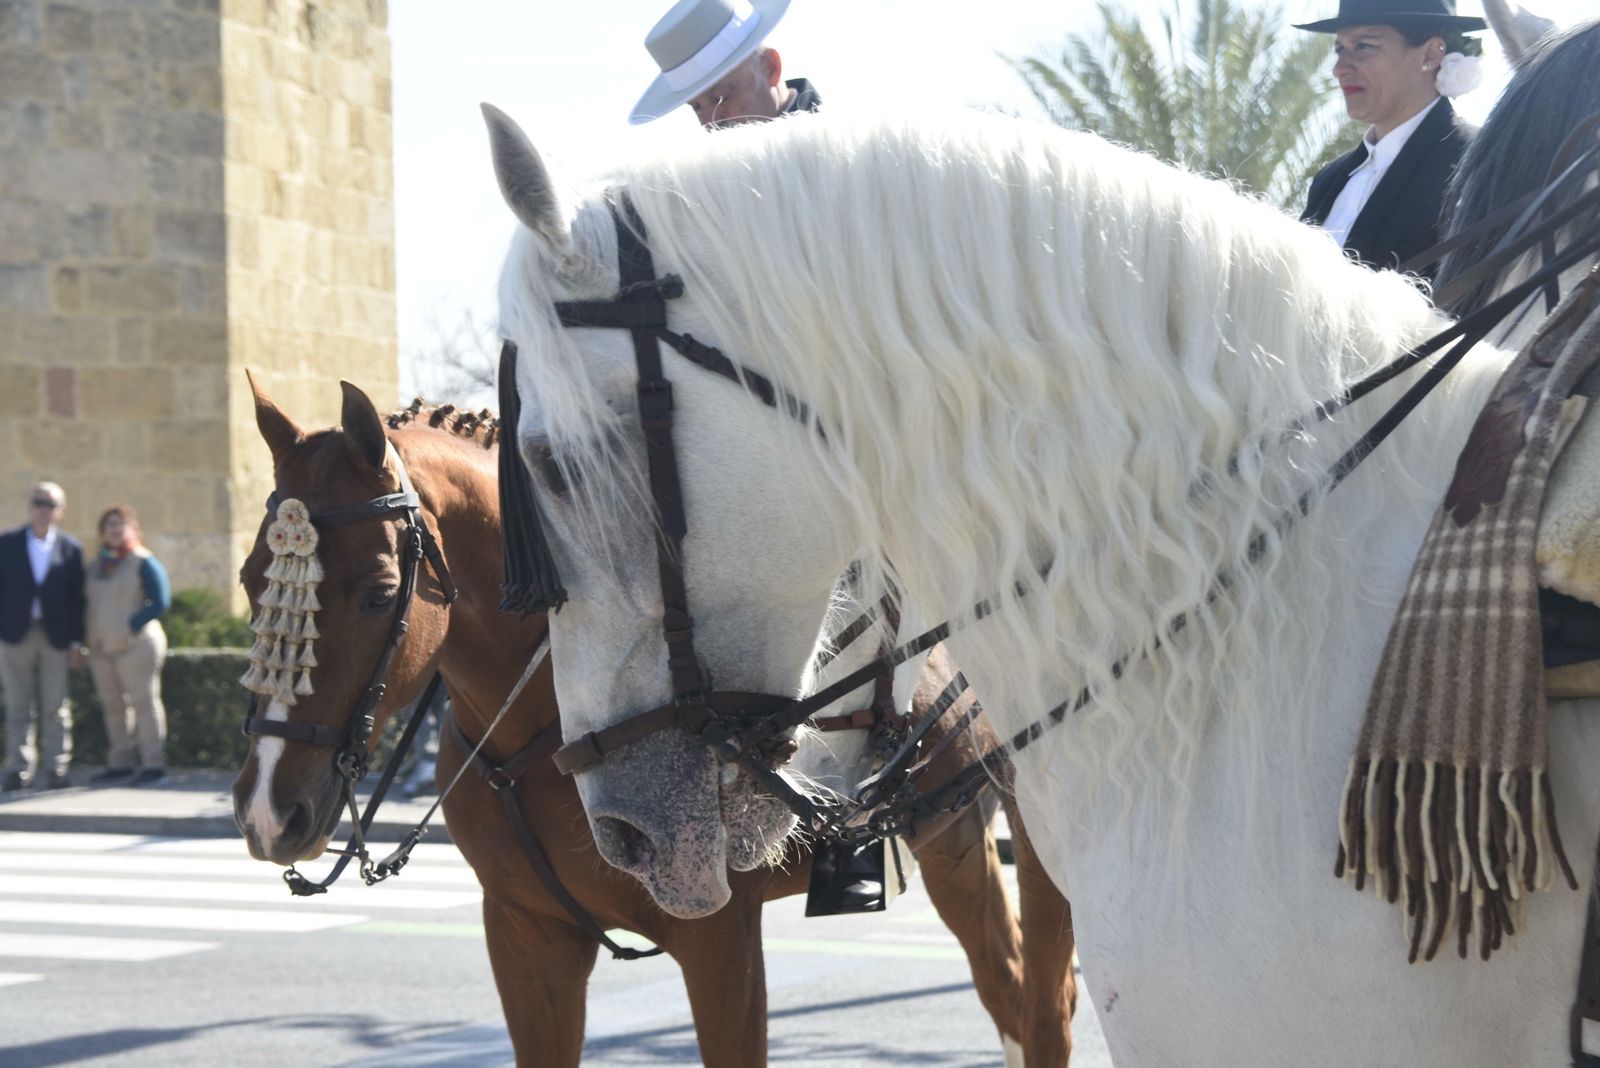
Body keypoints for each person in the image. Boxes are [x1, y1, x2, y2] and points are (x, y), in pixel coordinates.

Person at [1297, 0, 1487, 281]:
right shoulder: (1328, 180)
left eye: (1364, 46)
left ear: (1430, 54)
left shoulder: (1478, 164)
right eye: (1340, 49)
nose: (1339, 68)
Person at [0, 482, 85, 791]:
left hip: (56, 636)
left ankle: (56, 769)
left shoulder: (71, 548)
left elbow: (77, 600)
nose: (43, 509)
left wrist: (77, 641)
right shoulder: (7, 543)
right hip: (15, 635)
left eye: (50, 504)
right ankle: (18, 769)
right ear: (30, 506)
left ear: (61, 510)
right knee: (18, 706)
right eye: (39, 502)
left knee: (55, 707)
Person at [84, 505, 171, 786]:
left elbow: (160, 601)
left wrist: (131, 626)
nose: (115, 529)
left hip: (137, 644)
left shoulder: (143, 561)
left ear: (133, 529)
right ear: (102, 532)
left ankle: (153, 764)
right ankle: (120, 762)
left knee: (144, 703)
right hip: (102, 646)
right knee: (113, 706)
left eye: (120, 523)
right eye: (109, 524)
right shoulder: (96, 566)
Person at [631, 0, 819, 128]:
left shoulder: (833, 155)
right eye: (697, 107)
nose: (711, 122)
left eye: (721, 97)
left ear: (770, 68)